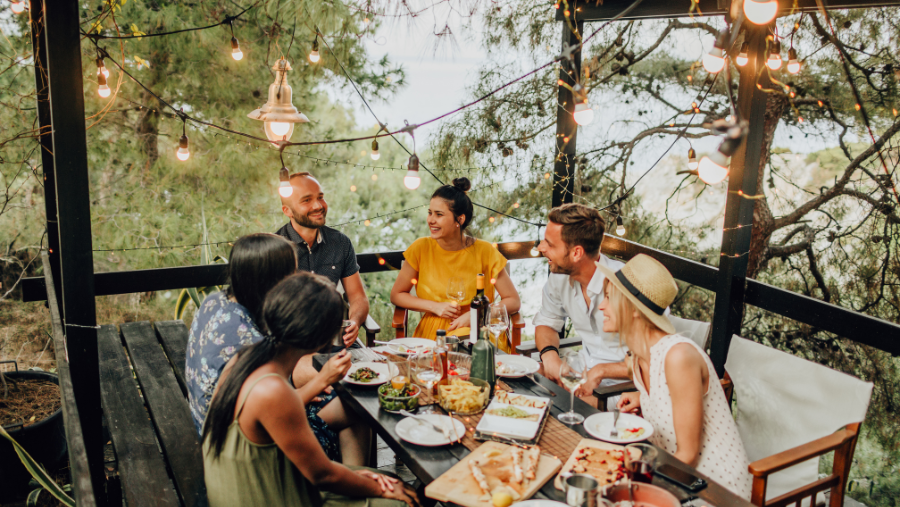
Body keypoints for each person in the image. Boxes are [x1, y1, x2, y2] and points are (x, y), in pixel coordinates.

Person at [203, 272, 422, 507]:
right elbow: (323, 475)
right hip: (264, 495)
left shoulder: (243, 359)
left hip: (247, 483)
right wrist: (378, 487)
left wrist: (360, 476)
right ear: (319, 339)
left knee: (382, 477)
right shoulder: (273, 390)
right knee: (403, 498)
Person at [186, 234, 369, 464]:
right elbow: (263, 411)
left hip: (211, 426)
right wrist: (321, 381)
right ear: (270, 280)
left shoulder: (215, 301)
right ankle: (352, 491)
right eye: (291, 273)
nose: (295, 280)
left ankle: (355, 487)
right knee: (356, 411)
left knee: (343, 403)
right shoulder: (249, 343)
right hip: (243, 451)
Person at [597, 254, 752, 499]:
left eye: (608, 298)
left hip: (715, 488)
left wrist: (632, 486)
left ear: (635, 310)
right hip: (677, 475)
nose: (601, 306)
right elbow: (665, 392)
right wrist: (642, 397)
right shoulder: (639, 356)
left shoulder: (679, 356)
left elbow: (688, 454)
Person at [390, 177, 521, 350]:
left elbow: (513, 301)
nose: (431, 220)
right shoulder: (420, 248)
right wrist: (434, 307)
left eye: (439, 214)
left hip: (479, 330)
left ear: (459, 220)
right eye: (430, 213)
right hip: (436, 333)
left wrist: (476, 316)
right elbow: (397, 294)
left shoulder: (485, 251)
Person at [532, 203, 630, 401]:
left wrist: (602, 370)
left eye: (549, 244)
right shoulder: (559, 278)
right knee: (523, 382)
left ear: (576, 253)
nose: (541, 248)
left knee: (556, 407)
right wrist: (550, 356)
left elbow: (656, 356)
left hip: (623, 388)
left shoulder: (628, 284)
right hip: (581, 374)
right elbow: (546, 322)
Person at [276, 171, 369, 348]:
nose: (318, 205)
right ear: (287, 210)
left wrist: (355, 322)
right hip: (292, 347)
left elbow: (358, 297)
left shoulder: (340, 243)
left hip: (336, 342)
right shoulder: (275, 250)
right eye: (306, 200)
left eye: (320, 197)